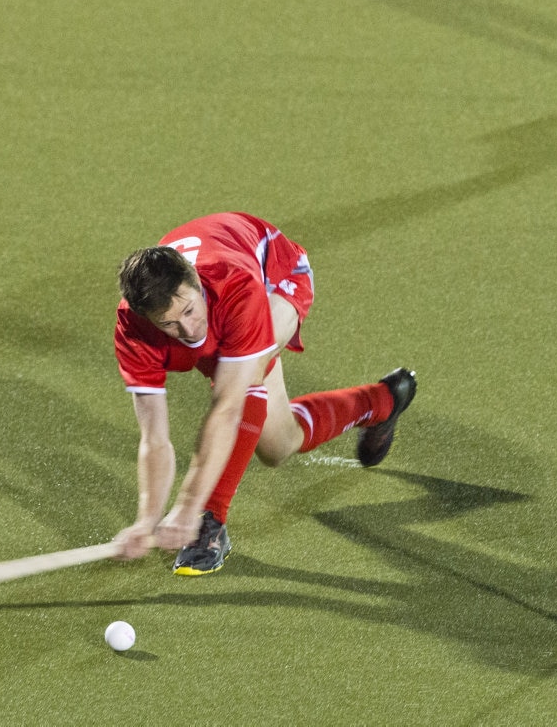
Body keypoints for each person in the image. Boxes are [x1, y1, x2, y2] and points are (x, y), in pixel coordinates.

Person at [111, 212, 417, 576]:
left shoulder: (234, 286)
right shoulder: (133, 330)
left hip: (277, 278)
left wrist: (191, 505)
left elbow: (228, 408)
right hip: (226, 290)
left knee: (243, 384)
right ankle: (382, 401)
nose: (189, 329)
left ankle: (212, 521)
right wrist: (146, 519)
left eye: (190, 310)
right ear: (146, 318)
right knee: (278, 446)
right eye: (169, 324)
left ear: (196, 281)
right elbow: (154, 438)